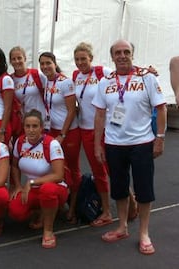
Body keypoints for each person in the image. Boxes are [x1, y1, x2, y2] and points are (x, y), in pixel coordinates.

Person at [92, 39, 166, 255]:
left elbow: (161, 109)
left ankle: (144, 233)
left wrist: (159, 138)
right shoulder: (105, 82)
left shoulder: (147, 78)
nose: (122, 56)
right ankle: (122, 226)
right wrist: (98, 144)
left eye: (126, 52)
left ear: (132, 54)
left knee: (144, 189)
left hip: (142, 142)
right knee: (120, 188)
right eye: (118, 53)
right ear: (112, 57)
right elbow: (99, 114)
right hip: (114, 144)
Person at [8, 110, 67, 248]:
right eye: (27, 126)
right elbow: (15, 166)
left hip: (55, 188)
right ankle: (42, 210)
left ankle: (48, 231)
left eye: (35, 126)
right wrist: (17, 185)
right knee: (15, 210)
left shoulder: (51, 144)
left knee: (47, 190)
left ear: (41, 128)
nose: (31, 130)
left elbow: (59, 175)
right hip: (33, 190)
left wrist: (32, 182)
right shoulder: (20, 142)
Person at [72, 42, 113, 226]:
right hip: (84, 129)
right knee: (99, 171)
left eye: (83, 59)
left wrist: (145, 71)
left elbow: (124, 75)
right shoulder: (75, 75)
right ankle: (107, 211)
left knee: (112, 169)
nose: (80, 62)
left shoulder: (102, 72)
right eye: (77, 59)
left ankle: (130, 203)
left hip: (104, 129)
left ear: (91, 58)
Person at [38, 52, 81, 224]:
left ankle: (73, 207)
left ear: (55, 63)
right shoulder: (46, 81)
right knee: (55, 169)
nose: (45, 66)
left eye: (48, 63)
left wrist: (63, 134)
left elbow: (72, 110)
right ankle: (60, 202)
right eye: (42, 64)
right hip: (52, 130)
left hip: (69, 132)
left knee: (72, 168)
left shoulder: (65, 82)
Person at [9, 46, 48, 127]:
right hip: (23, 123)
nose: (17, 61)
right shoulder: (10, 80)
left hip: (41, 121)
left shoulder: (36, 75)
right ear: (10, 62)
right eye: (13, 59)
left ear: (25, 58)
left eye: (19, 58)